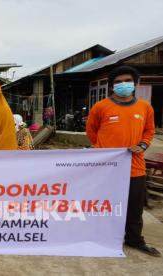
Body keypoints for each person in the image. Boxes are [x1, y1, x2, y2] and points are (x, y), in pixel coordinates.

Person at [86, 65, 160, 257]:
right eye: (118, 82)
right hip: (106, 167)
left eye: (127, 81)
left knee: (134, 207)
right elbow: (91, 132)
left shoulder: (145, 107)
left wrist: (143, 145)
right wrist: (106, 152)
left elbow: (149, 131)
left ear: (135, 84)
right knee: (105, 204)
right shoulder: (100, 107)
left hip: (134, 166)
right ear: (111, 86)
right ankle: (102, 237)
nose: (123, 85)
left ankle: (134, 239)